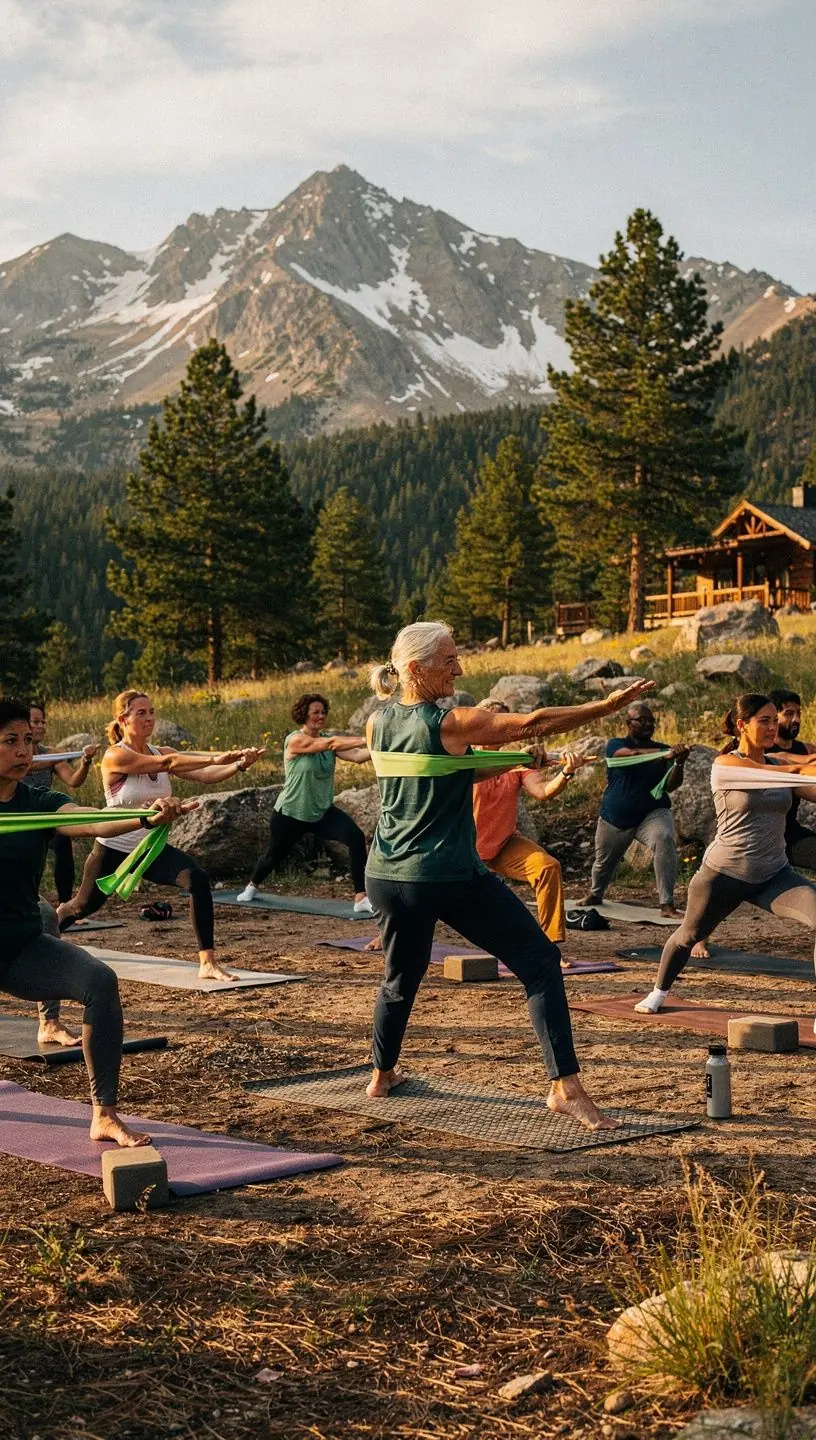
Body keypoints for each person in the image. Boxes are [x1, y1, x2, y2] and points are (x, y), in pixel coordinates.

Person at [362, 620, 654, 1130]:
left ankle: (381, 1075)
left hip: (385, 876)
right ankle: (565, 1089)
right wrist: (606, 707)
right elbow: (533, 720)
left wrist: (513, 762)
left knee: (400, 976)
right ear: (415, 668)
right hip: (444, 874)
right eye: (449, 660)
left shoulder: (377, 723)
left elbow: (445, 771)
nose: (459, 669)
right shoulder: (450, 721)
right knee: (540, 962)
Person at [0, 695, 192, 1146]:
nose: (24, 751)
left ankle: (104, 1115)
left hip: (19, 946)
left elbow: (90, 823)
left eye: (28, 740)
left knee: (100, 981)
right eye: (10, 741)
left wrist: (143, 816)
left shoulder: (39, 802)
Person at [58, 690, 263, 982]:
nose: (149, 718)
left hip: (149, 848)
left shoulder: (161, 751)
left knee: (197, 879)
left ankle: (207, 962)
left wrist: (239, 764)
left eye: (152, 712)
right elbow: (171, 764)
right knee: (81, 907)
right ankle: (41, 933)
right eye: (141, 713)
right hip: (113, 848)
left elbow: (205, 775)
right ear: (123, 719)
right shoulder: (116, 755)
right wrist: (216, 756)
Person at [635, 693, 816, 1015]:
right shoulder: (726, 765)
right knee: (689, 936)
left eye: (775, 721)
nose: (773, 727)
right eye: (764, 720)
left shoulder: (778, 765)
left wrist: (804, 768)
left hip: (773, 875)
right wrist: (802, 766)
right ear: (742, 725)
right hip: (723, 875)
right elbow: (793, 771)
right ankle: (658, 991)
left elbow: (809, 784)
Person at [236, 693, 374, 914]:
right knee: (273, 856)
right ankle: (252, 886)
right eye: (315, 712)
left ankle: (360, 897)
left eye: (323, 712)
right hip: (291, 813)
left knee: (355, 837)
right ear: (304, 715)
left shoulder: (329, 742)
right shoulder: (295, 740)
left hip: (321, 812)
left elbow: (357, 755)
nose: (321, 716)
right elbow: (328, 743)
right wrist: (370, 737)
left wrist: (381, 747)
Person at [471, 699, 592, 947]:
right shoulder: (462, 757)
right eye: (499, 721)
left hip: (503, 844)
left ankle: (549, 946)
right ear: (481, 722)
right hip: (463, 848)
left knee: (547, 867)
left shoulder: (518, 760)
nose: (506, 728)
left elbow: (543, 791)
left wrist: (566, 772)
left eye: (508, 722)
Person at [583, 703, 689, 918]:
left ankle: (666, 904)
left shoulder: (663, 750)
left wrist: (679, 763)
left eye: (651, 721)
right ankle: (595, 893)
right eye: (642, 720)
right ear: (628, 723)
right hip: (616, 817)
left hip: (652, 812)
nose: (648, 724)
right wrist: (663, 755)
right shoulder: (616, 745)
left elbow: (670, 785)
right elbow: (627, 755)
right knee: (603, 863)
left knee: (664, 838)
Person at [27, 700, 100, 903]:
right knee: (29, 856)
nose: (41, 726)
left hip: (45, 813)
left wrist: (85, 761)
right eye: (35, 722)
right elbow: (26, 765)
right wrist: (56, 758)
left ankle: (65, 904)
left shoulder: (50, 753)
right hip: (21, 814)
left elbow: (73, 781)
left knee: (62, 843)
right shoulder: (15, 754)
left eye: (43, 722)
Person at [767, 687, 816, 869]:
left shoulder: (804, 749)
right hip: (764, 835)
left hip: (790, 830)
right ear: (773, 717)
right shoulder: (763, 751)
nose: (796, 719)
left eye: (798, 713)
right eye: (788, 713)